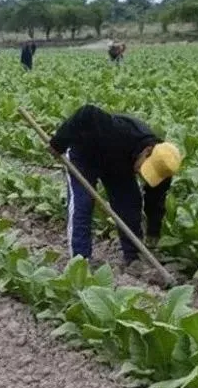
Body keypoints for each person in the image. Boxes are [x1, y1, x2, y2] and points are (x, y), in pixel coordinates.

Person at [48, 104, 182, 275]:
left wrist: (153, 232)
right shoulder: (117, 131)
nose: (142, 174)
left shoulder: (164, 167)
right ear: (147, 151)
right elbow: (86, 112)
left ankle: (133, 257)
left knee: (130, 205)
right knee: (83, 203)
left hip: (119, 164)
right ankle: (80, 261)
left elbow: (155, 201)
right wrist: (58, 143)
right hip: (84, 155)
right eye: (144, 168)